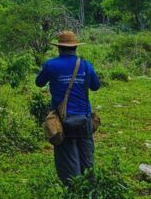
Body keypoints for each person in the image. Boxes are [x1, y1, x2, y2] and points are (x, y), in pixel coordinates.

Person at [35, 30, 101, 184]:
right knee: (87, 159)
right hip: (84, 120)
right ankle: (90, 193)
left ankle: (74, 194)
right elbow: (95, 86)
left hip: (63, 121)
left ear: (59, 47)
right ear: (75, 47)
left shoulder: (51, 65)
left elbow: (39, 83)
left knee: (67, 161)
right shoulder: (85, 65)